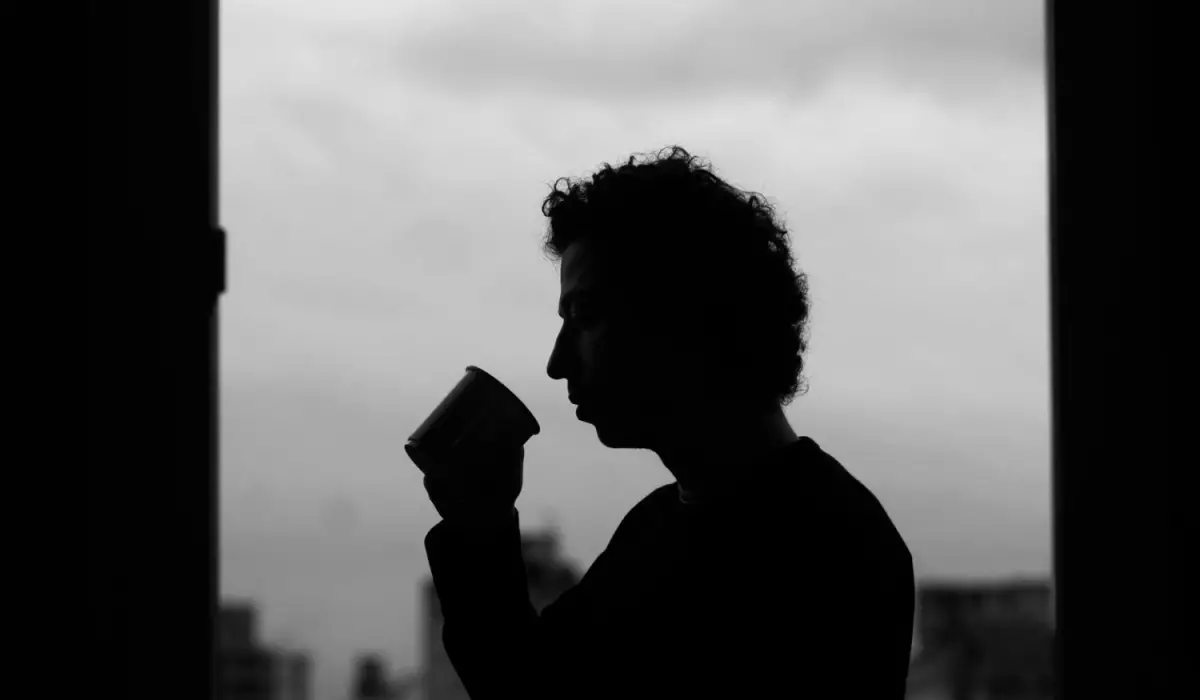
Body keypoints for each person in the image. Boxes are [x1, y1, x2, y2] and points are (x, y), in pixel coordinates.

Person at [418, 145, 915, 699]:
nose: (557, 363)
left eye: (585, 315)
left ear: (684, 315)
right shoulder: (658, 525)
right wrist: (480, 524)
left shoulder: (825, 550)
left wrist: (480, 531)